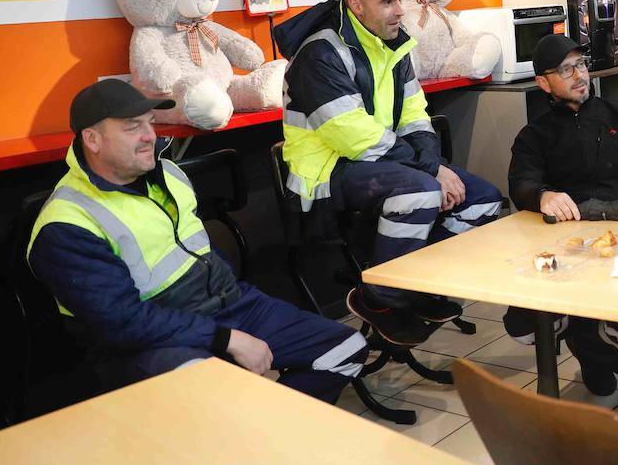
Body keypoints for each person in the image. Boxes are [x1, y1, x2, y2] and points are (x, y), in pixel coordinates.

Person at [28, 80, 368, 403]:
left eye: (150, 123)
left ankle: (266, 433)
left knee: (346, 348)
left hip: (226, 304)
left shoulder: (169, 174)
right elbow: (122, 323)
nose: (150, 137)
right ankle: (242, 438)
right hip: (150, 339)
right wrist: (226, 338)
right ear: (93, 139)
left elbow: (199, 251)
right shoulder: (66, 222)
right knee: (210, 392)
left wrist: (234, 312)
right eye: (132, 127)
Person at [275, 0, 503, 346]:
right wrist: (430, 172)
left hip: (383, 163)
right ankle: (381, 298)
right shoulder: (319, 53)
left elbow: (417, 114)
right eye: (387, 2)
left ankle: (418, 284)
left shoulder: (393, 43)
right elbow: (352, 136)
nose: (400, 10)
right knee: (421, 191)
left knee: (485, 201)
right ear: (356, 4)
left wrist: (430, 163)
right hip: (325, 174)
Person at [505, 34, 618, 396]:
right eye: (566, 69)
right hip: (568, 246)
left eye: (581, 65)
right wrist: (542, 196)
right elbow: (520, 184)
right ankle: (599, 346)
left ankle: (595, 349)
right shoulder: (534, 134)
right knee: (520, 323)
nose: (579, 75)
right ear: (543, 82)